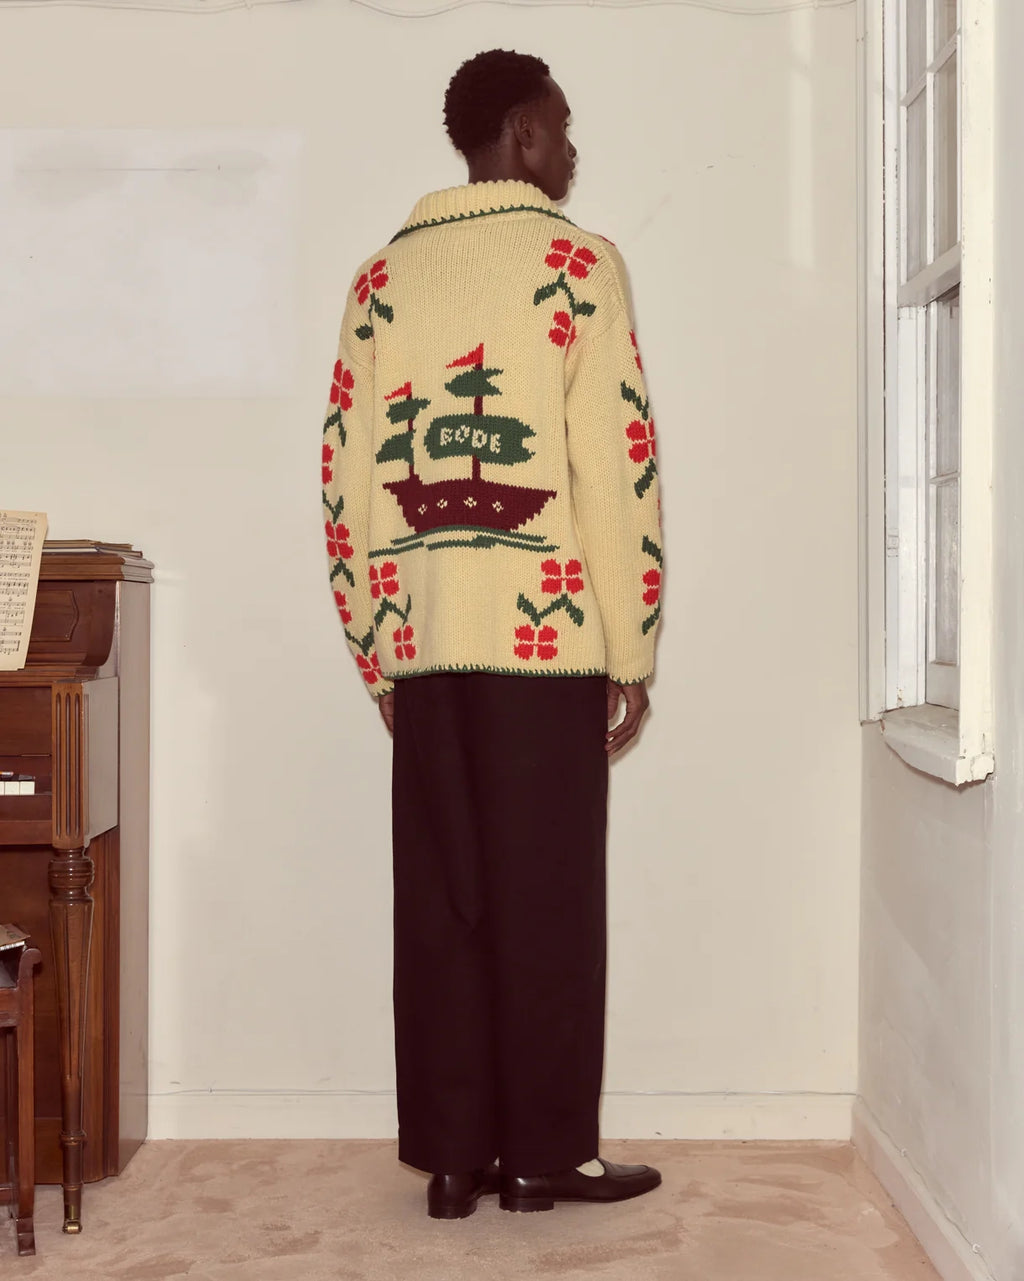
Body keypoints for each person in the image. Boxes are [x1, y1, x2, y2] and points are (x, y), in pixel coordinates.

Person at [321, 48, 664, 1219]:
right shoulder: (577, 264)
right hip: (545, 640)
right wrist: (632, 648)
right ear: (519, 132)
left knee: (446, 898)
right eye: (562, 128)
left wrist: (378, 646)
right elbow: (614, 469)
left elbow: (346, 476)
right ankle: (544, 1155)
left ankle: (454, 1158)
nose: (572, 150)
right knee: (548, 900)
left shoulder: (380, 281)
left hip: (422, 644)